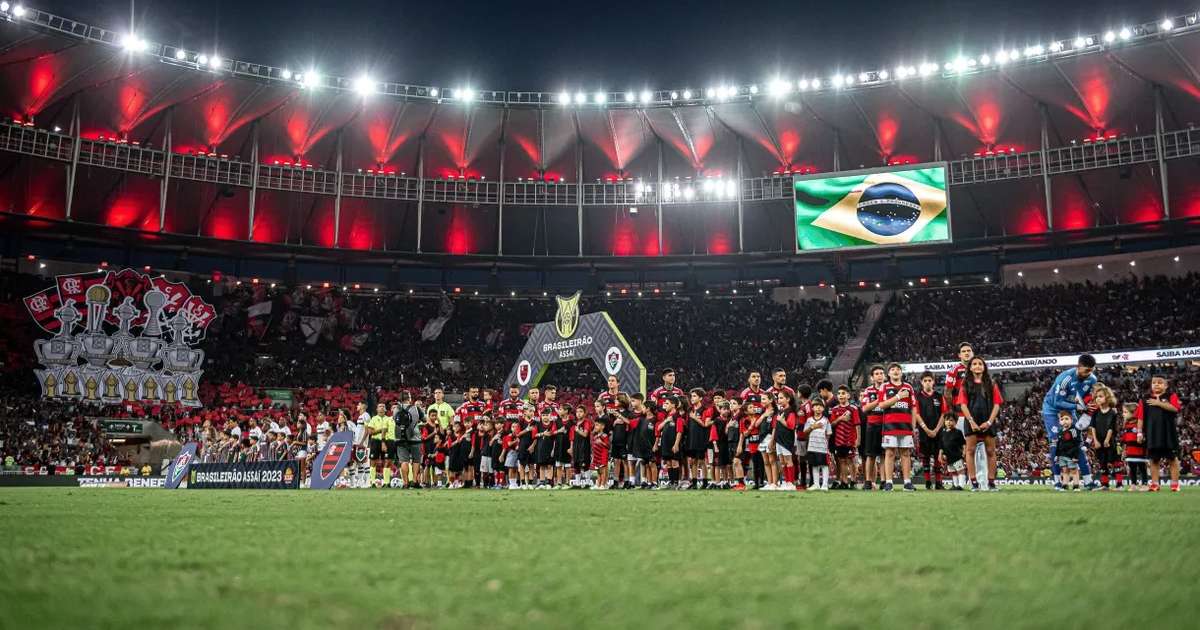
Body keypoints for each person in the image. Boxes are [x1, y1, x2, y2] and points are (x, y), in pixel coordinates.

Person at [1041, 354, 1099, 490]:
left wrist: (1087, 406)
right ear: (1078, 366)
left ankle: (1088, 481)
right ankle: (1057, 482)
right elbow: (1057, 402)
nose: (1089, 374)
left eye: (1091, 370)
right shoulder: (1065, 379)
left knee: (1076, 441)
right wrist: (1078, 407)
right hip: (1052, 410)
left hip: (1071, 409)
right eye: (1086, 370)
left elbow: (1085, 399)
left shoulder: (1092, 380)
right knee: (1056, 443)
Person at [957, 357, 1002, 491]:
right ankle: (974, 482)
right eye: (974, 364)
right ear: (970, 367)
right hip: (971, 421)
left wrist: (989, 422)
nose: (977, 366)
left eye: (980, 364)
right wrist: (971, 421)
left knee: (991, 451)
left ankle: (991, 482)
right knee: (970, 451)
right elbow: (963, 405)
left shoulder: (991, 383)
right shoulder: (965, 384)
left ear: (984, 367)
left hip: (988, 420)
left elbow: (997, 404)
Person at [1137, 374, 1182, 492]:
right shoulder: (1144, 399)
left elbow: (1175, 408)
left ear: (1166, 386)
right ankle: (1155, 484)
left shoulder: (1171, 395)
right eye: (1154, 382)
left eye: (1160, 382)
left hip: (1168, 433)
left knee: (1172, 459)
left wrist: (1159, 403)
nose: (1156, 384)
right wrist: (1139, 433)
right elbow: (1140, 418)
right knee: (1154, 460)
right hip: (1152, 434)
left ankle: (1175, 484)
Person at [878, 363, 916, 491]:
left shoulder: (908, 387)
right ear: (888, 374)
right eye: (893, 369)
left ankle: (907, 482)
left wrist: (914, 426)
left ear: (901, 372)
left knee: (905, 453)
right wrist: (898, 397)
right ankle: (889, 483)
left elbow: (913, 407)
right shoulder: (884, 386)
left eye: (898, 369)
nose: (896, 371)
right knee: (890, 453)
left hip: (905, 426)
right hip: (890, 426)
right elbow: (882, 405)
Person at [914, 371, 945, 490]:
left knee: (938, 457)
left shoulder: (938, 396)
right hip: (923, 432)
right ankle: (927, 482)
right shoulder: (918, 396)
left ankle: (938, 482)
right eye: (925, 381)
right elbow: (916, 414)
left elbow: (943, 414)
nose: (927, 383)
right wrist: (926, 429)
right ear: (921, 382)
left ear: (933, 382)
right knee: (925, 457)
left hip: (938, 431)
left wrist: (936, 429)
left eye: (929, 380)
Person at [858, 365, 887, 490]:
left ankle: (885, 481)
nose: (879, 375)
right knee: (870, 455)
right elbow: (864, 408)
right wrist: (879, 400)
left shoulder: (889, 389)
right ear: (872, 377)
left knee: (884, 455)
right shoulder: (868, 391)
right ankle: (868, 481)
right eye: (877, 373)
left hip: (886, 425)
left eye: (881, 373)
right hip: (872, 425)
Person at [1088, 384, 1120, 490]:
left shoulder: (1112, 412)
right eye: (1096, 396)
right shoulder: (1096, 413)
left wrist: (1107, 439)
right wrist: (1095, 441)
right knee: (1102, 463)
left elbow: (1111, 427)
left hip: (1110, 441)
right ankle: (1105, 484)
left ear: (1107, 397)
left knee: (1115, 462)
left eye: (1100, 396)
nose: (1097, 398)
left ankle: (1119, 484)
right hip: (1099, 441)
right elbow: (1093, 427)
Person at [829, 385, 861, 490]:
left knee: (850, 461)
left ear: (848, 395)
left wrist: (858, 439)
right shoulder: (835, 409)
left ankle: (853, 481)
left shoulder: (853, 408)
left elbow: (857, 425)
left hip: (850, 440)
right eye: (839, 394)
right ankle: (844, 482)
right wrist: (840, 419)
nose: (840, 396)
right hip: (839, 440)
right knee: (841, 461)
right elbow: (832, 424)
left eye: (843, 393)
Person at [770, 390, 800, 491]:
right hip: (779, 439)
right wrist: (774, 440)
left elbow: (791, 426)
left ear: (788, 399)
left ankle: (791, 483)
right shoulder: (780, 411)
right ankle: (787, 481)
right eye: (778, 398)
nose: (779, 400)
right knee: (782, 461)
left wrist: (782, 420)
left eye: (781, 398)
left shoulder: (791, 411)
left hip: (787, 440)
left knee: (788, 461)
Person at [803, 397, 832, 491]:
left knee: (824, 466)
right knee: (814, 465)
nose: (818, 408)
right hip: (812, 447)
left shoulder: (826, 420)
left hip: (822, 448)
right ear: (812, 408)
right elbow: (805, 432)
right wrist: (813, 427)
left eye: (820, 406)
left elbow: (828, 434)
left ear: (823, 408)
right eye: (816, 406)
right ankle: (816, 484)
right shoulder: (809, 420)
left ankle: (824, 485)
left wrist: (825, 444)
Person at [656, 396, 685, 488]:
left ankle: (676, 483)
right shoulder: (666, 416)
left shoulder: (678, 417)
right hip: (665, 443)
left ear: (673, 405)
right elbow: (658, 428)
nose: (665, 405)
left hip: (674, 443)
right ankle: (671, 482)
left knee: (674, 462)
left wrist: (676, 444)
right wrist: (666, 421)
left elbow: (679, 431)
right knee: (668, 463)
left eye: (667, 403)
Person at [365, 403, 395, 488]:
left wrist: (379, 431)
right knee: (373, 461)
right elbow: (370, 432)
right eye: (380, 407)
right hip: (375, 441)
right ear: (377, 409)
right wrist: (381, 430)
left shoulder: (389, 419)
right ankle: (372, 482)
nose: (381, 408)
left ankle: (386, 482)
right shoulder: (373, 419)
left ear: (385, 409)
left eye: (383, 407)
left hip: (386, 441)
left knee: (387, 461)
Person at [1120, 403, 1148, 491]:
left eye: (1125, 412)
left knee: (1142, 468)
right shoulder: (1126, 425)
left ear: (1134, 413)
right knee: (1132, 468)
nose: (1123, 414)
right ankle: (1133, 484)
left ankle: (1145, 484)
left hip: (1139, 451)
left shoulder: (1140, 425)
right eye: (1123, 412)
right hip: (1130, 451)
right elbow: (1125, 440)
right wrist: (1124, 451)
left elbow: (1144, 438)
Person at [938, 413, 967, 490]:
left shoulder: (958, 432)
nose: (949, 422)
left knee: (960, 470)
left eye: (951, 420)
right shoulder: (943, 433)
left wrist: (964, 452)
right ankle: (955, 485)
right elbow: (941, 446)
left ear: (955, 422)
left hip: (957, 456)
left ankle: (961, 485)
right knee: (953, 472)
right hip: (948, 457)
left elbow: (963, 443)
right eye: (947, 420)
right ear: (944, 421)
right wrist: (940, 454)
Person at [1055, 410, 1082, 492]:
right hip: (1062, 455)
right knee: (1065, 470)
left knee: (1074, 471)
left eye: (1067, 419)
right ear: (1059, 422)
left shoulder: (1073, 430)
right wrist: (1057, 455)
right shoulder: (1060, 432)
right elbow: (1058, 444)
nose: (1064, 421)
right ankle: (1065, 485)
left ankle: (1076, 486)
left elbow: (1077, 444)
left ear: (1071, 420)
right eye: (1062, 419)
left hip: (1071, 455)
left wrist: (1075, 456)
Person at [591, 416, 610, 490]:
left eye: (597, 425)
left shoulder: (604, 436)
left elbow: (608, 446)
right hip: (596, 456)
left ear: (602, 426)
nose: (595, 427)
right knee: (598, 471)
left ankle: (603, 484)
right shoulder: (595, 436)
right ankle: (598, 484)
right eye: (595, 425)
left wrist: (601, 442)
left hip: (603, 455)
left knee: (603, 470)